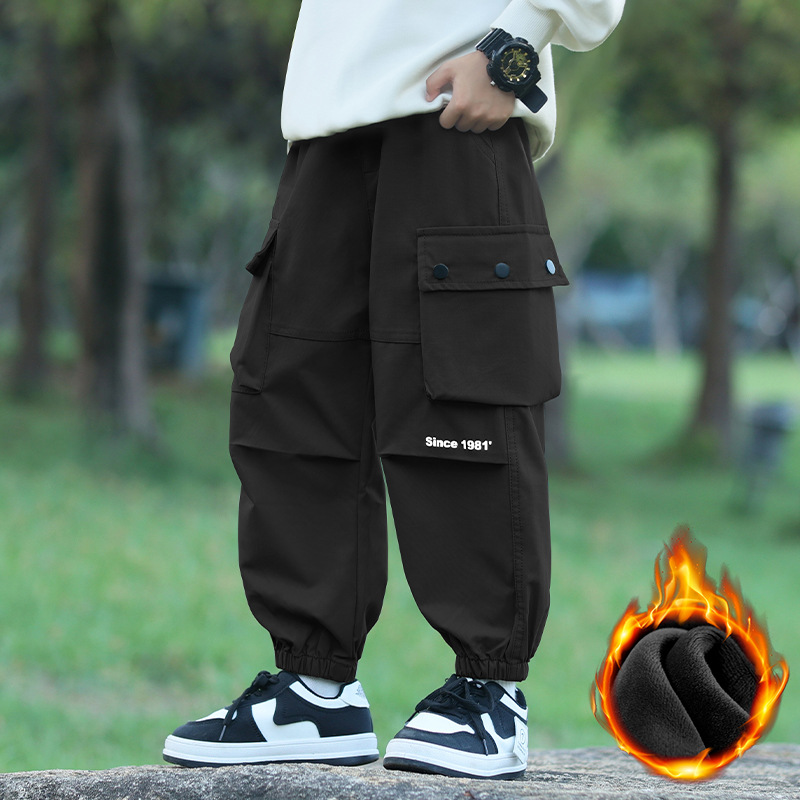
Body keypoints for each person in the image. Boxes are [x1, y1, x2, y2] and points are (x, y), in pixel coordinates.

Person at [163, 0, 625, 780]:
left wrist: (513, 48)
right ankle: (314, 690)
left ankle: (490, 694)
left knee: (462, 404)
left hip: (455, 110)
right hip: (326, 126)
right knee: (292, 400)